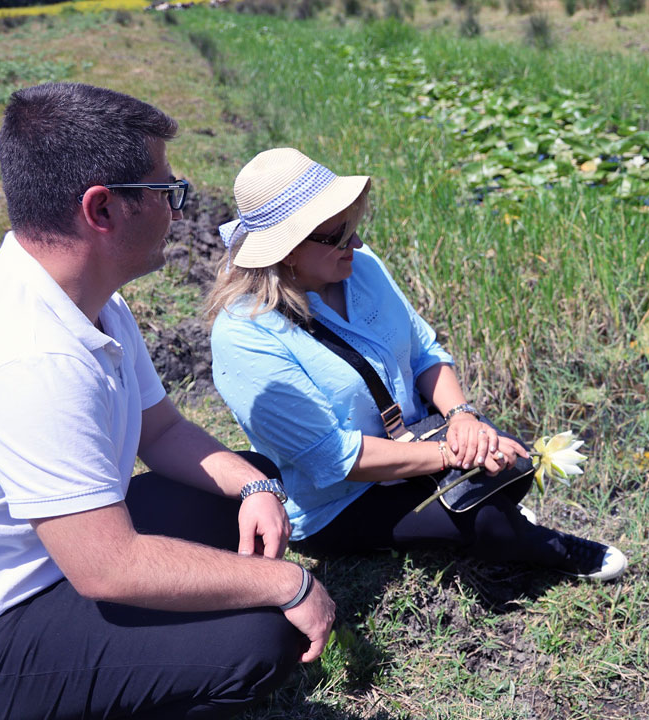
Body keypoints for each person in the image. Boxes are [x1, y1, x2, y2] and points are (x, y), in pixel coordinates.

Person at [0, 84, 335, 719]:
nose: (176, 214)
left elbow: (163, 431)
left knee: (240, 478)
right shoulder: (32, 358)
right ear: (102, 210)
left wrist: (256, 488)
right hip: (8, 619)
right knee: (257, 638)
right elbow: (108, 569)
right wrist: (288, 581)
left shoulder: (91, 300)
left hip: (70, 546)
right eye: (165, 194)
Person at [206, 147, 627, 581]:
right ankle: (540, 546)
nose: (357, 243)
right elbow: (336, 459)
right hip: (338, 500)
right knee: (487, 521)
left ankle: (491, 516)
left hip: (418, 439)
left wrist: (463, 418)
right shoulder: (245, 335)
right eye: (338, 235)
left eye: (354, 226)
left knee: (515, 462)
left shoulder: (360, 267)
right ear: (288, 250)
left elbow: (425, 351)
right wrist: (449, 455)